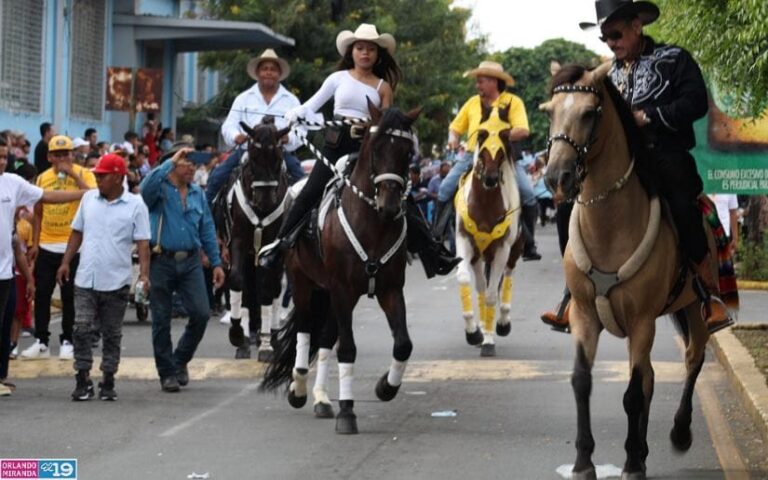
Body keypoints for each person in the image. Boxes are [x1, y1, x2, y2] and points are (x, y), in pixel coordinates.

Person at [541, 0, 730, 333]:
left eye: (615, 34)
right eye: (605, 38)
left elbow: (696, 102)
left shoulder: (674, 59)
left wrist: (650, 116)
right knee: (567, 203)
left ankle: (706, 291)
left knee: (682, 204)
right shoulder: (605, 73)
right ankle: (572, 293)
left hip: (664, 154)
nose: (611, 43)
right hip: (619, 163)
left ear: (637, 27)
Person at [258, 23, 460, 277]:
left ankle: (433, 252)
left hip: (370, 149)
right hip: (335, 145)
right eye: (360, 48)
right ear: (351, 52)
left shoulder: (383, 87)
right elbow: (312, 105)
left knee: (401, 194)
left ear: (377, 55)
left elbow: (386, 122)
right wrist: (297, 113)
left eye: (370, 49)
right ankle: (279, 246)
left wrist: (375, 127)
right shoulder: (337, 78)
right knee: (310, 190)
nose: (365, 53)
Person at [56, 154, 151, 401]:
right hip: (86, 278)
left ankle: (108, 379)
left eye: (102, 176)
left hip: (116, 281)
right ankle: (82, 379)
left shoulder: (135, 205)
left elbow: (143, 243)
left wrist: (144, 275)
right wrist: (65, 262)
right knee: (81, 329)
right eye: (97, 176)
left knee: (111, 333)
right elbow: (76, 232)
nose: (97, 180)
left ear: (118, 177)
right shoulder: (88, 199)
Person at [0, 138, 86, 393]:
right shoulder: (26, 180)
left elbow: (47, 197)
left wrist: (84, 193)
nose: (2, 162)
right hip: (23, 260)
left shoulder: (12, 183)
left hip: (5, 271)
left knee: (5, 324)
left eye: (4, 157)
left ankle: (1, 377)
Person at [435, 60, 540, 260]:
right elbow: (455, 128)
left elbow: (523, 130)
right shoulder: (472, 103)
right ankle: (437, 239)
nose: (478, 85)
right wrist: (453, 139)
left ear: (494, 81)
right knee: (445, 189)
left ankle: (529, 243)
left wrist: (498, 136)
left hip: (503, 158)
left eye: (481, 81)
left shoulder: (512, 102)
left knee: (528, 194)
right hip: (472, 155)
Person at [140, 147, 225, 393]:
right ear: (173, 165)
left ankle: (180, 360)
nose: (192, 168)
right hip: (161, 260)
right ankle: (167, 372)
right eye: (186, 163)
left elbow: (207, 228)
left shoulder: (198, 193)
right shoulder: (159, 190)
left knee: (201, 313)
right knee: (161, 318)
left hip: (190, 262)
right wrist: (170, 162)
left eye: (194, 164)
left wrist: (216, 262)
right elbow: (144, 190)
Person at [22, 136, 97, 360]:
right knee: (42, 294)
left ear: (73, 155)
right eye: (57, 155)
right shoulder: (43, 178)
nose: (62, 158)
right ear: (49, 157)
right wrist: (36, 243)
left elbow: (93, 197)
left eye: (66, 154)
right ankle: (41, 341)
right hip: (46, 244)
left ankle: (67, 340)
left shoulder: (84, 174)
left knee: (69, 296)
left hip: (72, 246)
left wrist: (73, 174)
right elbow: (38, 212)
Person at [207, 49, 306, 201]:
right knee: (216, 177)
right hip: (247, 151)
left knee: (303, 182)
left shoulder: (291, 100)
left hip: (280, 152)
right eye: (265, 69)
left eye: (273, 69)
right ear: (258, 73)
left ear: (279, 74)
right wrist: (236, 136)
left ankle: (309, 216)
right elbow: (229, 125)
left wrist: (289, 138)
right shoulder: (243, 98)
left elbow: (301, 129)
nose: (268, 73)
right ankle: (204, 214)